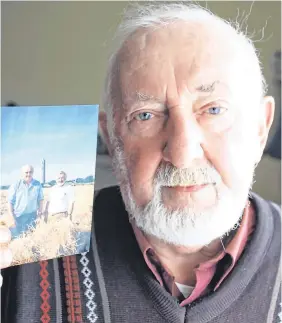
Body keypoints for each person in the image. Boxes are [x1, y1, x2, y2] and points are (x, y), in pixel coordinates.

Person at [1, 3, 281, 323]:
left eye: (214, 109)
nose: (182, 153)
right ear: (111, 138)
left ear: (261, 128)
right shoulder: (24, 253)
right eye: (145, 115)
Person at [4, 164, 44, 239]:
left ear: (33, 172)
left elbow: (40, 200)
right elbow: (10, 202)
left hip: (32, 217)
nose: (28, 174)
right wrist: (12, 218)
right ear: (22, 173)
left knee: (31, 238)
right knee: (17, 239)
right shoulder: (16, 184)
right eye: (26, 172)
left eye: (30, 172)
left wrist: (39, 215)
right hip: (18, 218)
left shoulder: (37, 184)